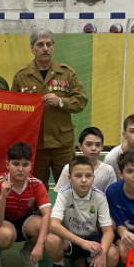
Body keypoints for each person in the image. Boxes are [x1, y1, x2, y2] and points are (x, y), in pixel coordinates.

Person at [11, 28, 88, 185]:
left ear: (53, 47)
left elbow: (81, 101)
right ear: (32, 49)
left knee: (68, 186)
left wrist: (60, 101)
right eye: (40, 45)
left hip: (62, 145)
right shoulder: (21, 76)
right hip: (36, 144)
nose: (45, 48)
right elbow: (14, 109)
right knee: (35, 187)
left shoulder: (67, 73)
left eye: (49, 44)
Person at [46, 156, 119, 267]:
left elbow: (108, 231)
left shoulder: (99, 196)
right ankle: (59, 265)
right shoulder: (64, 193)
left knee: (112, 256)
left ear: (93, 178)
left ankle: (91, 260)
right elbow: (53, 225)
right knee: (52, 240)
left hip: (92, 239)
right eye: (78, 176)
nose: (84, 180)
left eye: (88, 176)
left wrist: (102, 253)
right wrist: (82, 243)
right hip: (72, 239)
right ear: (69, 178)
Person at [0, 142, 52, 267]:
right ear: (7, 165)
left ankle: (28, 250)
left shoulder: (37, 184)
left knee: (48, 226)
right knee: (2, 236)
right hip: (4, 222)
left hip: (26, 221)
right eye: (16, 164)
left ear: (31, 166)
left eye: (25, 165)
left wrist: (40, 244)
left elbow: (47, 214)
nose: (21, 169)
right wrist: (3, 196)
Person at [54, 126, 117, 193]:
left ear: (102, 147)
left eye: (98, 145)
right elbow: (61, 195)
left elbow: (112, 195)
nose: (93, 148)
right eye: (89, 144)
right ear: (80, 146)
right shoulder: (68, 168)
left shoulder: (108, 170)